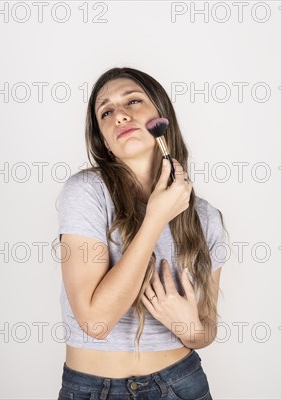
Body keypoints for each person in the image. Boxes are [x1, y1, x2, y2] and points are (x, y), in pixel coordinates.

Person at [56, 67, 229, 400]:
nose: (120, 115)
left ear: (161, 117)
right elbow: (95, 323)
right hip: (95, 389)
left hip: (182, 384)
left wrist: (189, 328)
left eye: (133, 101)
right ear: (103, 142)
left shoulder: (205, 216)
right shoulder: (86, 193)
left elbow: (206, 329)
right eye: (106, 111)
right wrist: (155, 219)